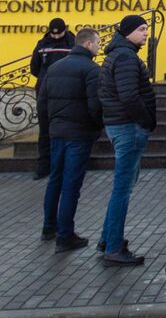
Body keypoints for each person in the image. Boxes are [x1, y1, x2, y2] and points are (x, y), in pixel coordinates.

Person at [97, 14, 156, 266]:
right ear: (128, 32)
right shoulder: (126, 58)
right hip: (127, 127)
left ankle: (107, 239)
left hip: (119, 124)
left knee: (122, 187)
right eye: (141, 29)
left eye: (146, 29)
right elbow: (130, 96)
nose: (146, 33)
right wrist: (146, 120)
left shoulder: (119, 54)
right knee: (122, 189)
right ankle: (113, 248)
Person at [38, 26, 102, 251]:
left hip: (57, 132)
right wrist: (97, 127)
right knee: (71, 184)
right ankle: (65, 235)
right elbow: (95, 105)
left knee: (55, 179)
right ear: (88, 44)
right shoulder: (92, 70)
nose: (99, 46)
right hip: (79, 134)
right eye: (98, 43)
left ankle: (49, 227)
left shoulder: (54, 67)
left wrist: (49, 127)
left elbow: (42, 102)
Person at [29, 18, 74, 179]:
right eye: (53, 34)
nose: (55, 37)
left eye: (58, 34)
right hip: (45, 92)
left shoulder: (72, 44)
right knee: (45, 131)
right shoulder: (42, 44)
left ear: (64, 30)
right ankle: (44, 166)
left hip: (68, 92)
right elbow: (34, 67)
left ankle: (66, 165)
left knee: (67, 130)